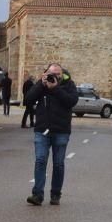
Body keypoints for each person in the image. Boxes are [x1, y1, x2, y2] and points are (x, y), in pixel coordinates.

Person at [24, 63, 79, 206]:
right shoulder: (42, 84)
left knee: (58, 164)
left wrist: (55, 89)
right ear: (46, 73)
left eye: (57, 74)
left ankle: (55, 194)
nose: (54, 76)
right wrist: (41, 85)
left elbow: (71, 102)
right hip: (42, 130)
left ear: (62, 74)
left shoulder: (69, 85)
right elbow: (28, 100)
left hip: (61, 131)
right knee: (40, 161)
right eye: (51, 73)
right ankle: (37, 194)